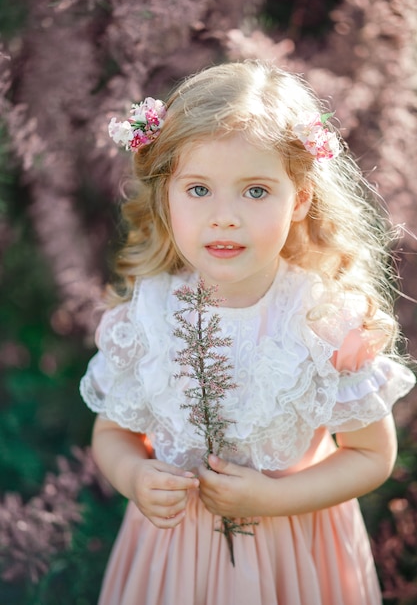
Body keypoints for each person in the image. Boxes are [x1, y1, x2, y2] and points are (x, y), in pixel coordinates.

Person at [80, 60, 415, 605]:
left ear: (300, 198)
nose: (224, 217)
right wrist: (135, 479)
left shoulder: (323, 321)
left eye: (256, 192)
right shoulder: (149, 314)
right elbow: (112, 435)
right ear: (166, 195)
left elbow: (370, 456)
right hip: (174, 557)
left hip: (293, 551)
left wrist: (272, 498)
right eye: (198, 189)